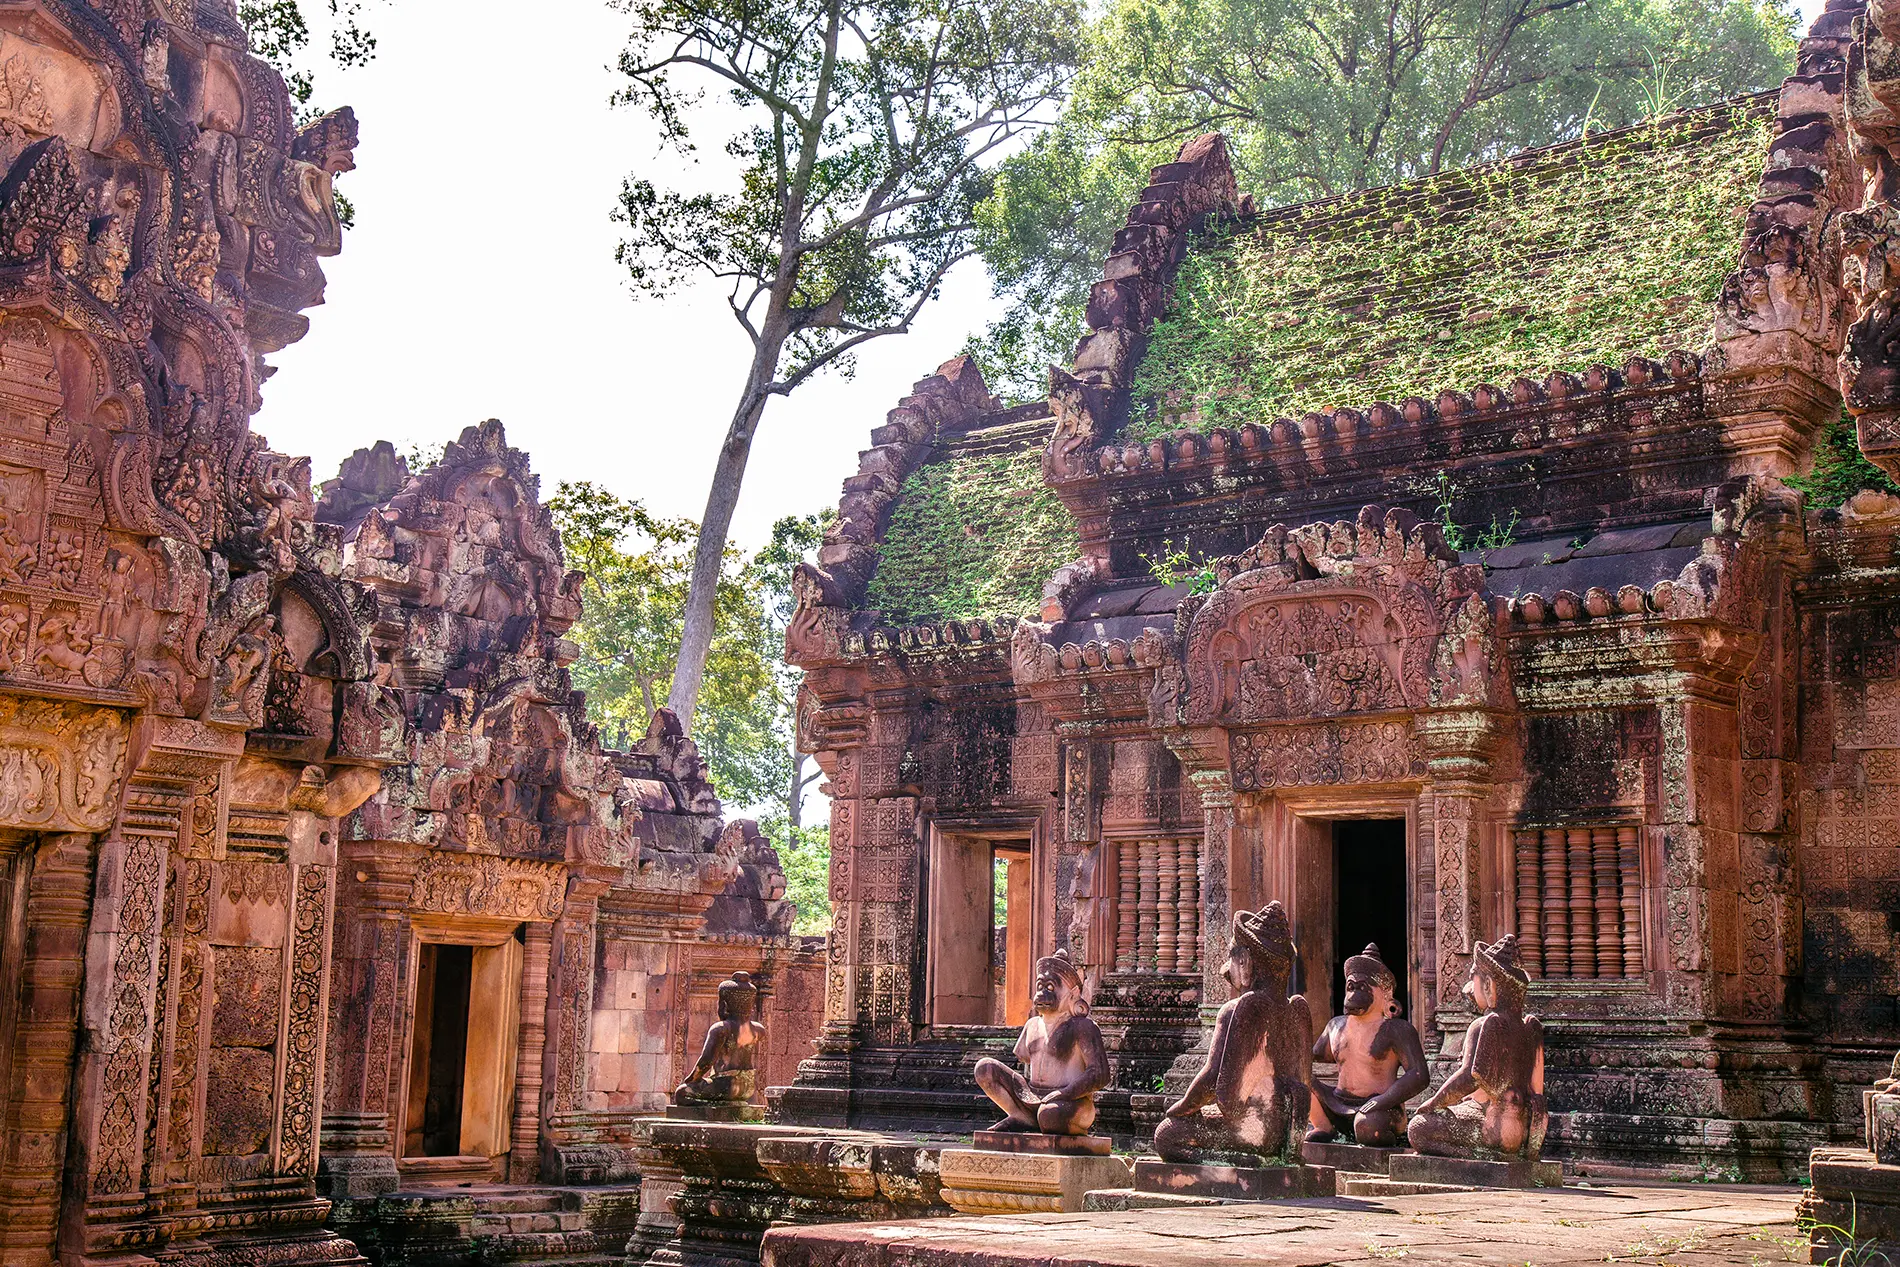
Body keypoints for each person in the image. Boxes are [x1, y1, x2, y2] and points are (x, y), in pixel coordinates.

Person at [1153, 902, 1312, 1164]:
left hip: (1250, 1131)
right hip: (1281, 1134)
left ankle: (1237, 1161)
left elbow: (1214, 1078)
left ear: (1245, 961)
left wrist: (1182, 1107)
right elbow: (1303, 1084)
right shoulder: (1297, 1010)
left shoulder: (1238, 1009)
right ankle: (1262, 1157)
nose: (1226, 970)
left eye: (1232, 958)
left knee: (1167, 1134)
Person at [1407, 934, 1547, 1159]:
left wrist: (1434, 1102)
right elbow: (1536, 1092)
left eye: (1475, 979)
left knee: (1418, 1128)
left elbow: (1469, 1078)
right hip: (1519, 1130)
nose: (1469, 989)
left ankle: (1483, 1155)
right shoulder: (1528, 1027)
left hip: (1490, 1127)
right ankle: (1502, 1153)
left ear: (1489, 985)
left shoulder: (1484, 1024)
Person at [974, 949, 1109, 1135]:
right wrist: (1026, 1097)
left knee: (1050, 1117)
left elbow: (1100, 1074)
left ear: (1073, 993)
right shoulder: (1032, 1025)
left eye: (1051, 987)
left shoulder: (1083, 1027)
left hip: (1071, 1101)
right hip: (1032, 1097)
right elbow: (1026, 1068)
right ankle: (1022, 1117)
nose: (1043, 993)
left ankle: (1035, 1119)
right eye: (1040, 987)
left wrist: (1065, 1093)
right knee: (985, 1068)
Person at [1307, 943, 1428, 1147]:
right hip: (1337, 1103)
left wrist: (1383, 1101)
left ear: (1385, 993)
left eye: (1362, 987)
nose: (1353, 992)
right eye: (1350, 986)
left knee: (1368, 1127)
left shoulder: (1396, 1030)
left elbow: (1419, 1075)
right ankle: (1323, 1126)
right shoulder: (1335, 1026)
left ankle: (1395, 1140)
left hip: (1379, 1108)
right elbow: (1310, 1056)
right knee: (1300, 1078)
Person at [674, 970, 766, 1104]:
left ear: (725, 1004)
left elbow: (706, 1061)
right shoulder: (758, 1029)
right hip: (748, 1087)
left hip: (725, 1085)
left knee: (681, 1093)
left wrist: (692, 1079)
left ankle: (717, 1105)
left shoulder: (721, 1029)